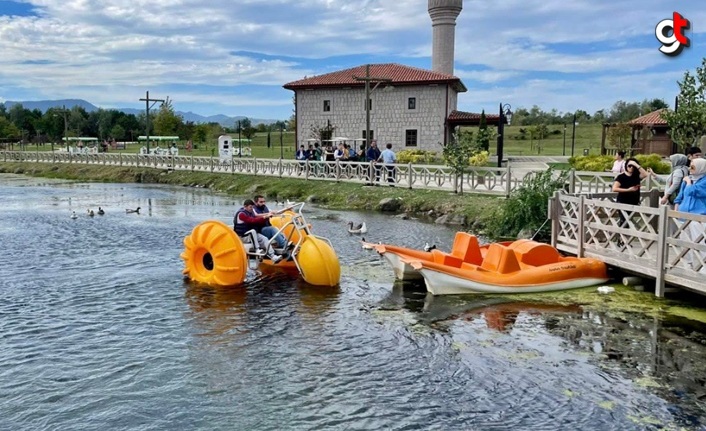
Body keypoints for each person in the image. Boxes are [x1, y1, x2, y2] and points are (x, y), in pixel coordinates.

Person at [673, 158, 706, 272]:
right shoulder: (688, 179)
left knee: (700, 241)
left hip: (698, 216)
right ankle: (688, 266)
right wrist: (677, 204)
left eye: (693, 167)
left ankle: (702, 266)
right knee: (685, 242)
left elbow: (691, 191)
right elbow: (681, 194)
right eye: (690, 166)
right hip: (684, 214)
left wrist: (688, 182)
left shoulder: (703, 181)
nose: (690, 169)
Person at [612, 158, 649, 232]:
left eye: (633, 166)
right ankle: (621, 241)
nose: (631, 167)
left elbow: (646, 174)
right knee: (624, 221)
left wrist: (636, 165)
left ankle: (623, 241)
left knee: (629, 221)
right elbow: (614, 188)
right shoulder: (621, 177)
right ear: (626, 166)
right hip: (623, 201)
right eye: (629, 166)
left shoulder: (636, 176)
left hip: (633, 202)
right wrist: (628, 190)